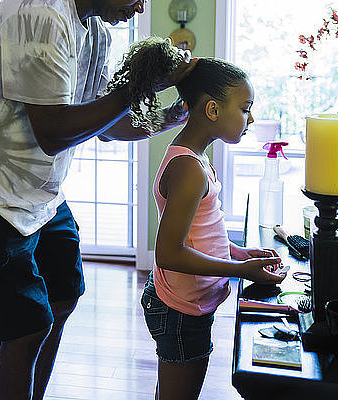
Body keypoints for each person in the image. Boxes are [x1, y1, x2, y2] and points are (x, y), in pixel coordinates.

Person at [0, 0, 197, 400]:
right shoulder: (41, 12)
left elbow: (102, 122)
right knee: (25, 328)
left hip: (33, 188)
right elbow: (54, 132)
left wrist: (166, 117)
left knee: (63, 292)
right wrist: (138, 84)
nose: (140, 8)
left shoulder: (95, 31)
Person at [106, 38, 286, 400]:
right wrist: (241, 273)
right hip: (180, 311)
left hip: (188, 305)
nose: (250, 118)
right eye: (245, 108)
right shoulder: (188, 169)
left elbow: (201, 235)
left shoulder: (197, 160)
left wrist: (241, 253)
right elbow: (169, 254)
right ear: (213, 110)